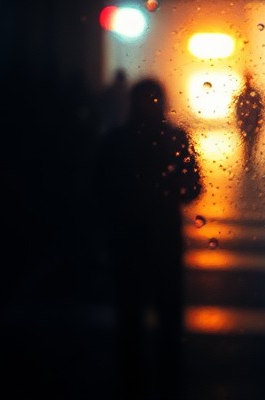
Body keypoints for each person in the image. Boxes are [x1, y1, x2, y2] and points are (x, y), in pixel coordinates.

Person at [95, 78, 203, 399]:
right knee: (162, 312)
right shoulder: (172, 138)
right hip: (158, 235)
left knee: (133, 313)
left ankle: (134, 378)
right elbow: (193, 185)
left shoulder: (116, 139)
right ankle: (166, 377)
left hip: (130, 236)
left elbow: (98, 187)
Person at [233, 72, 265, 171]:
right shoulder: (243, 95)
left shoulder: (253, 95)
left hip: (252, 122)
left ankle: (249, 160)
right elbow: (238, 110)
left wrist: (258, 121)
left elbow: (260, 109)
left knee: (251, 142)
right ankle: (248, 160)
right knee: (248, 142)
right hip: (246, 123)